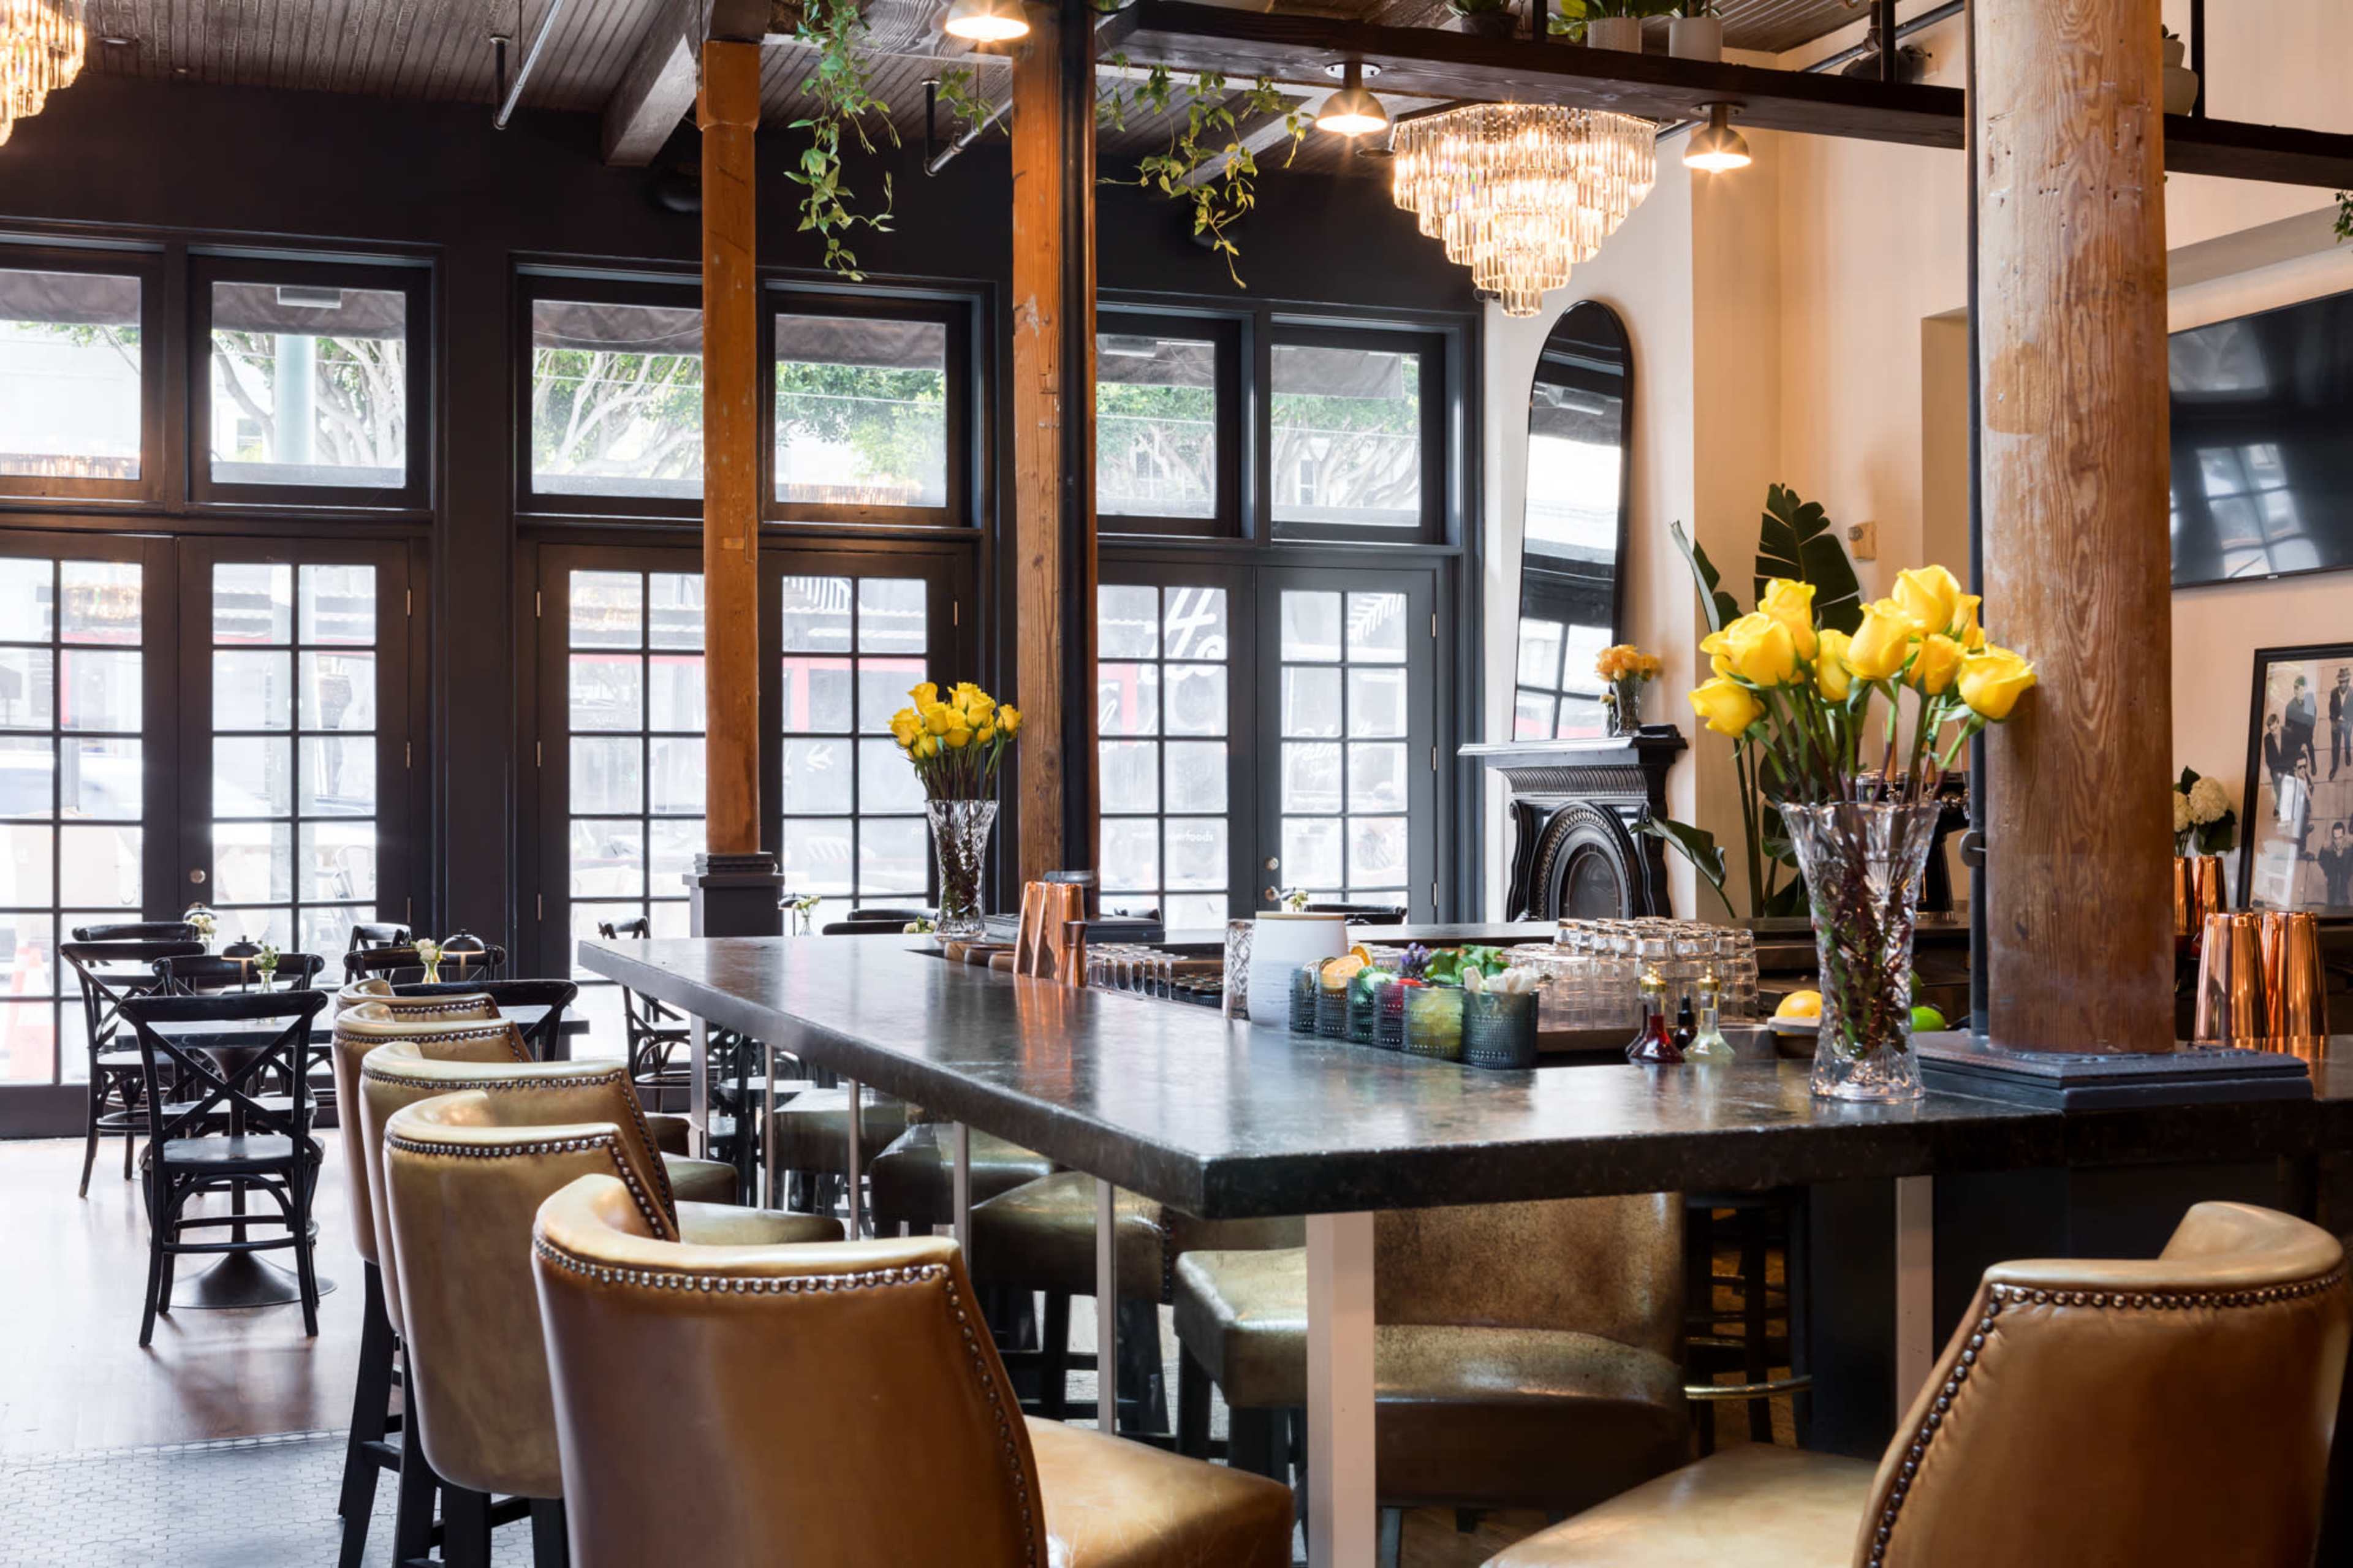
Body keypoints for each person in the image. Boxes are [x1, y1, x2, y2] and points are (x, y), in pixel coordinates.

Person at [2284, 676, 2319, 779]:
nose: (2303, 693)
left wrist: (2310, 731)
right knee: (2295, 753)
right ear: (2295, 691)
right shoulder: (2290, 707)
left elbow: (2312, 721)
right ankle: (2294, 768)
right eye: (2300, 690)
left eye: (2305, 690)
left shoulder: (2309, 701)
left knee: (2311, 748)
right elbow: (2288, 726)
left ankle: (2313, 764)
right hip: (2297, 735)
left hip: (2307, 734)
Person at [2322, 821, 2353, 909]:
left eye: (2340, 838)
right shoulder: (2327, 849)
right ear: (2333, 838)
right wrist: (2327, 874)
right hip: (2333, 889)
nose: (2338, 841)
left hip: (2347, 887)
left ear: (2344, 836)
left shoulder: (2350, 848)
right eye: (2335, 838)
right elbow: (2322, 861)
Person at [2330, 667, 2350, 781]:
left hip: (2347, 723)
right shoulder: (2334, 693)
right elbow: (2331, 707)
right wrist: (2333, 721)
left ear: (2348, 682)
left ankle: (2347, 754)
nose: (2341, 684)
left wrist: (2350, 721)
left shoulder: (2352, 693)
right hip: (2336, 723)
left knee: (2347, 740)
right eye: (2340, 681)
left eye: (2344, 682)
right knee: (2335, 746)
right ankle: (2335, 767)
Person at [2264, 713, 2287, 799]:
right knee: (2278, 787)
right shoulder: (2267, 739)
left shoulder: (2287, 733)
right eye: (2271, 730)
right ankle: (2279, 801)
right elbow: (2269, 760)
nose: (2274, 732)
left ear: (2279, 723)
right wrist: (2278, 771)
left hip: (2288, 766)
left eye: (2276, 728)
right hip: (2276, 768)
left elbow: (2293, 753)